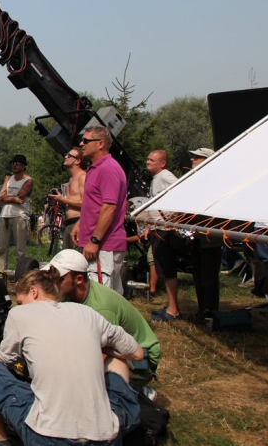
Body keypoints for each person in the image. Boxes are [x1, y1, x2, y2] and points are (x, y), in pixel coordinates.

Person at [0, 266, 142, 446]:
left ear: (34, 292)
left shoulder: (19, 314)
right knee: (117, 361)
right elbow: (137, 353)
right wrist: (95, 343)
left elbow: (3, 361)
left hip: (48, 437)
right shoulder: (87, 313)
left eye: (21, 302)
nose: (19, 306)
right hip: (105, 437)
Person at [48, 249, 161, 387]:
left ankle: (136, 390)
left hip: (142, 358)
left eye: (59, 279)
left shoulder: (101, 308)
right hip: (116, 349)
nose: (52, 282)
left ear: (79, 279)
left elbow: (102, 353)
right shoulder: (70, 295)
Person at [72, 126, 129, 294]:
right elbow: (94, 203)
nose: (81, 144)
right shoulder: (95, 168)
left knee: (100, 297)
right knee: (109, 296)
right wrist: (80, 223)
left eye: (86, 140)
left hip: (105, 245)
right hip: (99, 245)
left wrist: (94, 241)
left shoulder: (108, 169)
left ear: (101, 144)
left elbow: (109, 208)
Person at [186, 147, 222, 320]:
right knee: (199, 275)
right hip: (199, 236)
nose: (192, 159)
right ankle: (202, 310)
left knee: (209, 277)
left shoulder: (215, 183)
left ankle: (210, 313)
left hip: (211, 237)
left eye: (197, 157)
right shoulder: (198, 180)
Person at [143, 150, 179, 301]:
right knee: (160, 265)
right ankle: (171, 304)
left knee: (167, 268)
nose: (148, 162)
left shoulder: (165, 175)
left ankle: (173, 306)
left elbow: (181, 188)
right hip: (156, 228)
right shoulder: (155, 178)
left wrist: (175, 213)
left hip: (164, 229)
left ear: (163, 163)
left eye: (152, 160)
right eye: (148, 159)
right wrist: (148, 226)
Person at [0, 156, 33, 273]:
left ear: (24, 166)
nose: (14, 165)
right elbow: (0, 197)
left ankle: (19, 273)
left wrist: (7, 197)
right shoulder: (9, 179)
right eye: (13, 163)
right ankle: (2, 273)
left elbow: (20, 197)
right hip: (5, 215)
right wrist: (12, 198)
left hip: (20, 216)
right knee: (1, 247)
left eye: (17, 163)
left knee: (20, 249)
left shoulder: (28, 181)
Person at [48, 148, 86, 250]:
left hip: (79, 222)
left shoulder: (82, 177)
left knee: (78, 256)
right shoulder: (71, 179)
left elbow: (86, 203)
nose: (65, 157)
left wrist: (63, 200)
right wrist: (59, 199)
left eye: (69, 155)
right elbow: (71, 202)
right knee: (67, 257)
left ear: (78, 161)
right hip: (68, 224)